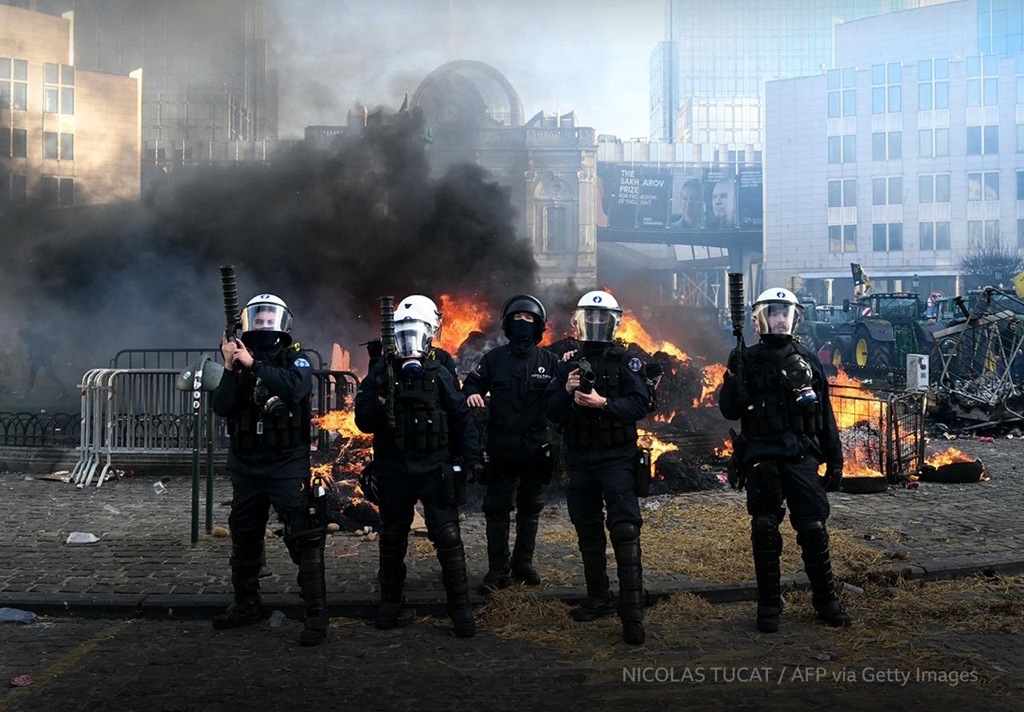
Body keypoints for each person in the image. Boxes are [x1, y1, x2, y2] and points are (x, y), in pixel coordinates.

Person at [718, 287, 851, 634]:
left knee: (812, 529)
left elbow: (824, 415)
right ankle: (768, 605)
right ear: (761, 318)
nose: (779, 319)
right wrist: (732, 378)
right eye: (773, 313)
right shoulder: (745, 358)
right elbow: (730, 411)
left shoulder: (807, 358)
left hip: (800, 456)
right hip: (762, 458)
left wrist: (835, 460)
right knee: (764, 531)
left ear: (794, 317)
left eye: (784, 313)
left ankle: (825, 601)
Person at [354, 295, 481, 638]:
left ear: (428, 336)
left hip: (433, 468)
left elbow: (460, 418)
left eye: (416, 333)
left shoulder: (439, 372)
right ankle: (390, 603)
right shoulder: (379, 373)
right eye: (403, 333)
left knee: (448, 537)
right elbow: (362, 421)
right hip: (394, 469)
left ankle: (460, 608)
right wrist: (380, 399)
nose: (409, 341)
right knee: (392, 538)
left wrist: (470, 460)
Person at [211, 293, 328, 646]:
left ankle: (316, 614)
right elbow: (222, 405)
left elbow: (297, 386)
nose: (263, 325)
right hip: (247, 463)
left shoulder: (296, 359)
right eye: (257, 319)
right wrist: (232, 367)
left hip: (286, 462)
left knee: (303, 535)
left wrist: (256, 364)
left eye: (268, 319)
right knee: (245, 534)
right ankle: (246, 604)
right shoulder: (237, 361)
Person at [544, 290, 652, 645]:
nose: (595, 326)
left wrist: (603, 403)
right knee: (588, 531)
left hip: (617, 457)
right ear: (578, 323)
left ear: (614, 323)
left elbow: (640, 403)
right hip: (580, 458)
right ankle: (597, 597)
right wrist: (566, 387)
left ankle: (632, 610)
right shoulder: (566, 363)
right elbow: (552, 412)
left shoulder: (626, 360)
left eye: (601, 320)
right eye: (589, 320)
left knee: (624, 530)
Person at [462, 294, 561, 593]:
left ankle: (523, 563)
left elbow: (566, 391)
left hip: (536, 446)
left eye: (529, 319)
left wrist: (571, 366)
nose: (522, 324)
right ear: (507, 324)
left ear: (538, 326)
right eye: (517, 319)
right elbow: (472, 383)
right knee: (497, 509)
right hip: (502, 445)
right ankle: (497, 569)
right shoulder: (493, 360)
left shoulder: (550, 361)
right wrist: (471, 393)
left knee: (531, 508)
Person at [20, 326, 69, 398]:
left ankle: (27, 394)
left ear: (25, 336)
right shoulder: (33, 340)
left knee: (33, 375)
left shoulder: (34, 340)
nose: (22, 340)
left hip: (41, 358)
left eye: (22, 338)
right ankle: (64, 391)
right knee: (51, 375)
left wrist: (32, 356)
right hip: (44, 357)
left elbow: (37, 352)